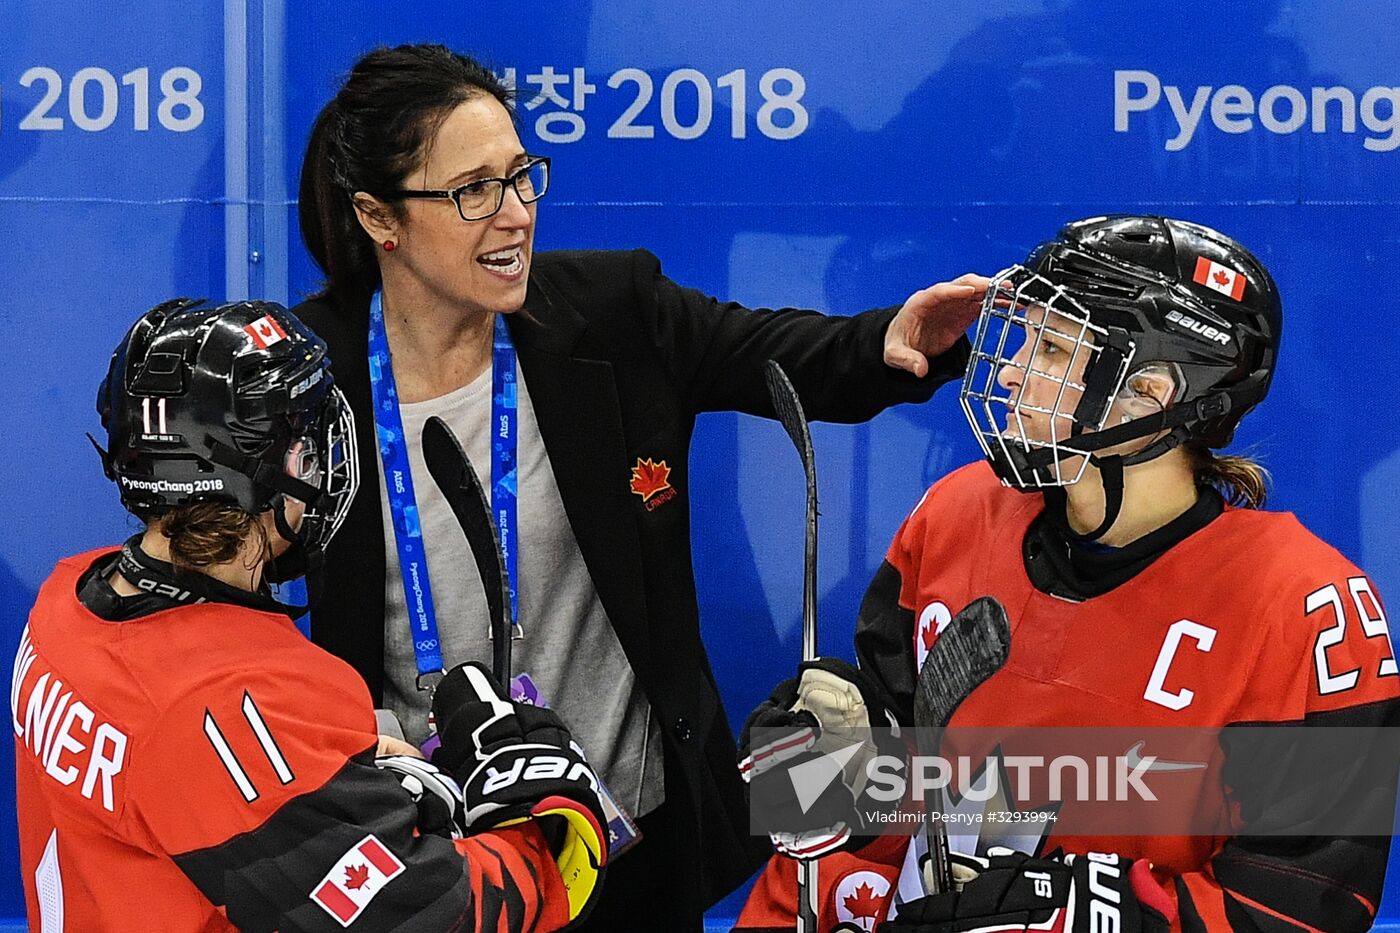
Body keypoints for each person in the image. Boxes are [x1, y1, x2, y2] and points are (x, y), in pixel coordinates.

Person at [293, 43, 984, 928]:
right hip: (431, 854)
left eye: (521, 177)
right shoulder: (307, 376)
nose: (514, 216)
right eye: (473, 191)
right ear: (378, 218)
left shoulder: (613, 312)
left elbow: (775, 351)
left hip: (629, 834)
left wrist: (895, 338)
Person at [734, 216, 1400, 932]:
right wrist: (818, 777)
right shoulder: (958, 514)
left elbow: (1299, 906)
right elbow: (896, 807)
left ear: (1150, 393)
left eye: (1051, 347)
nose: (1014, 370)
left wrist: (1085, 915)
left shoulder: (1310, 610)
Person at [12, 298, 608, 931]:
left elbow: (186, 782)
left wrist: (325, 780)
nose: (321, 461)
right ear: (265, 472)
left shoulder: (65, 602)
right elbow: (436, 917)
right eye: (305, 444)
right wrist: (548, 826)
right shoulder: (230, 704)